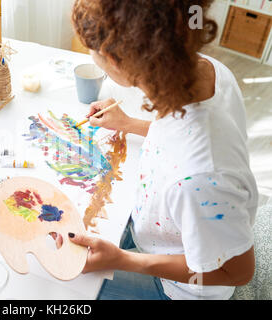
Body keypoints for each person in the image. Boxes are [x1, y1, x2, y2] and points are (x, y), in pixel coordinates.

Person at [68, 0, 258, 300]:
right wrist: (129, 123)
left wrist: (124, 260)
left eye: (91, 51)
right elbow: (185, 138)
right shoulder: (205, 70)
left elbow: (237, 272)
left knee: (68, 286)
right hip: (165, 230)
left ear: (114, 61)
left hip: (181, 287)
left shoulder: (200, 179)